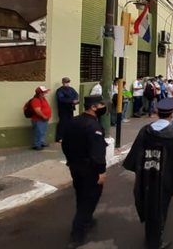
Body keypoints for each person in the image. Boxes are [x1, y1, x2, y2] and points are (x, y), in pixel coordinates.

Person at [123, 98, 173, 249]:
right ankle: (155, 242)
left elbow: (135, 155)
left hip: (146, 176)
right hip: (165, 179)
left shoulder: (145, 131)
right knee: (161, 208)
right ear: (172, 115)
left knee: (148, 205)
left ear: (156, 113)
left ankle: (151, 236)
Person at [61, 95, 108, 247]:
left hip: (75, 166)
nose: (103, 108)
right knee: (90, 199)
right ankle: (77, 234)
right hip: (90, 169)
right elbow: (97, 152)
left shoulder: (73, 121)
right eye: (101, 105)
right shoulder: (94, 127)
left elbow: (65, 144)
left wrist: (70, 160)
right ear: (93, 107)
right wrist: (101, 171)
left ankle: (87, 219)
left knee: (81, 194)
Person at [56, 77, 79, 143]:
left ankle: (68, 136)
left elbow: (76, 94)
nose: (67, 83)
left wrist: (75, 100)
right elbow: (61, 99)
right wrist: (72, 101)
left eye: (68, 82)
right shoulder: (60, 90)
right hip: (63, 109)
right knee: (62, 123)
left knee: (70, 122)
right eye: (66, 82)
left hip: (70, 108)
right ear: (63, 82)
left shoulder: (71, 89)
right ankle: (60, 137)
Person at [30, 86, 52, 150]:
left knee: (43, 132)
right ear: (40, 93)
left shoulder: (42, 98)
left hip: (43, 119)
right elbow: (37, 110)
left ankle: (41, 142)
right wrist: (44, 116)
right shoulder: (35, 100)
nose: (46, 93)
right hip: (38, 120)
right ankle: (37, 145)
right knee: (39, 132)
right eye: (44, 92)